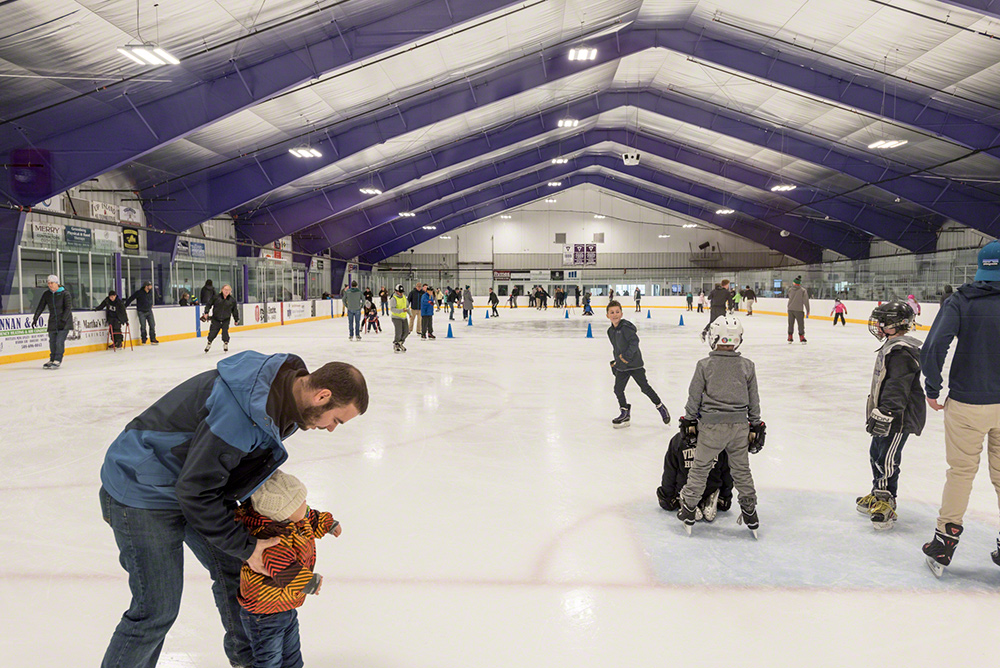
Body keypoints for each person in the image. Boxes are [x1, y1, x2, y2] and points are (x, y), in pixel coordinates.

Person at [98, 352, 368, 668]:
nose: (332, 428)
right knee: (157, 609)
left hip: (188, 485)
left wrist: (292, 517)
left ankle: (248, 661)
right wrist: (247, 546)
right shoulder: (241, 413)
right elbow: (196, 490)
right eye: (336, 419)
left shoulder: (283, 402)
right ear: (322, 396)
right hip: (141, 489)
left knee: (238, 569)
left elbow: (226, 472)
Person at [919, 240, 1000, 576]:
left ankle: (944, 541)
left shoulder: (962, 299)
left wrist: (933, 388)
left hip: (968, 403)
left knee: (961, 473)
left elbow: (934, 345)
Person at [236, 470, 340, 668]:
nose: (306, 505)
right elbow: (282, 567)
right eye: (301, 502)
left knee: (292, 656)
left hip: (284, 605)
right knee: (270, 660)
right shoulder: (269, 538)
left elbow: (312, 517)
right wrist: (308, 583)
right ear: (283, 513)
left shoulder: (295, 518)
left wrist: (328, 524)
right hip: (264, 613)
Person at [677, 315, 764, 538]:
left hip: (711, 429)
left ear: (714, 338)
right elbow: (754, 400)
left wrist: (689, 420)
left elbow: (694, 396)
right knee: (741, 471)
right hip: (739, 428)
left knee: (700, 469)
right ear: (738, 340)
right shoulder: (747, 366)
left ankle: (688, 508)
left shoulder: (704, 365)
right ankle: (749, 510)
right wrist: (756, 425)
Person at [852, 302, 925, 531]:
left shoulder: (901, 352)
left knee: (887, 459)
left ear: (895, 324)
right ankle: (877, 492)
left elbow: (897, 386)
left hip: (898, 418)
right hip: (887, 413)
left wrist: (888, 413)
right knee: (876, 453)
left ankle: (887, 500)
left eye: (881, 322)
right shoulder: (893, 346)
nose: (877, 327)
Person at [606, 300, 671, 429]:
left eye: (617, 312)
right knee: (618, 389)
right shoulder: (610, 331)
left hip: (635, 364)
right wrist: (616, 362)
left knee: (645, 388)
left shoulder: (626, 327)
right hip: (622, 366)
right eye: (612, 312)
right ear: (607, 315)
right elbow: (616, 348)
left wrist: (626, 357)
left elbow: (634, 342)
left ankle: (660, 407)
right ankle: (625, 412)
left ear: (622, 313)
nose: (615, 315)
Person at [657, 423, 733, 523]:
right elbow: (727, 471)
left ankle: (688, 503)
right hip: (711, 486)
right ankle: (710, 498)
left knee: (667, 499)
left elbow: (670, 472)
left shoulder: (678, 440)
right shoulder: (720, 440)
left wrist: (667, 497)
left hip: (686, 487)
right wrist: (725, 497)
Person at [31, 274, 74, 369]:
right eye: (48, 283)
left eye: (52, 283)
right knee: (52, 341)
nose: (50, 285)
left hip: (64, 321)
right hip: (53, 321)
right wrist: (35, 318)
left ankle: (58, 359)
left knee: (59, 341)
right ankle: (52, 359)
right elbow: (41, 306)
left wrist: (63, 320)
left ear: (57, 283)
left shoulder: (65, 293)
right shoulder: (47, 294)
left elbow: (68, 308)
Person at [202, 284, 241, 353]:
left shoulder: (232, 300)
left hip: (226, 319)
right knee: (212, 333)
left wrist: (236, 319)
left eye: (228, 290)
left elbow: (235, 310)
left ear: (230, 291)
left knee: (225, 332)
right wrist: (206, 312)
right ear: (222, 290)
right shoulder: (216, 297)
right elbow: (209, 304)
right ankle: (209, 342)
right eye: (225, 290)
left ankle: (225, 343)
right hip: (216, 319)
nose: (226, 291)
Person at [125, 280, 159, 345]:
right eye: (150, 286)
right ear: (146, 286)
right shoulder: (139, 293)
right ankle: (144, 339)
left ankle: (153, 339)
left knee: (152, 325)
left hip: (149, 311)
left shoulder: (150, 292)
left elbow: (152, 299)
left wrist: (151, 304)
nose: (151, 287)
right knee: (143, 326)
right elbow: (131, 298)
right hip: (141, 312)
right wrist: (125, 306)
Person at [786, 276, 810, 344]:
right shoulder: (803, 290)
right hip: (799, 310)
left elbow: (789, 297)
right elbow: (806, 301)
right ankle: (801, 337)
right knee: (800, 324)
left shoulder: (790, 289)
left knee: (790, 324)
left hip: (790, 309)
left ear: (794, 283)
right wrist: (808, 310)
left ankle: (790, 336)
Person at [390, 284, 410, 353]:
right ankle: (396, 344)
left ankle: (400, 343)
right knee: (399, 332)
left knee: (406, 331)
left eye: (402, 292)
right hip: (396, 318)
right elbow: (392, 309)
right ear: (396, 291)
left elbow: (407, 306)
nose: (401, 293)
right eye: (399, 292)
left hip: (404, 317)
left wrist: (410, 314)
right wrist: (401, 310)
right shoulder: (393, 299)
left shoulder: (404, 297)